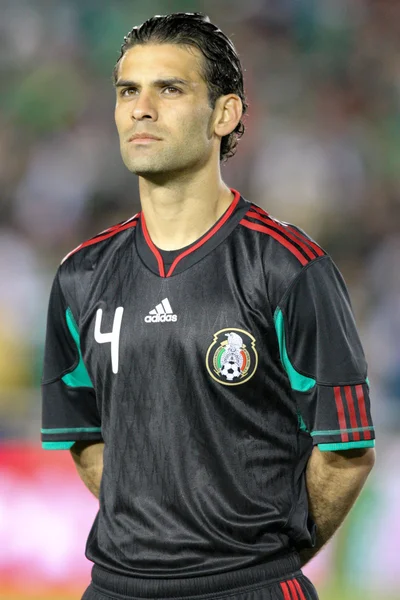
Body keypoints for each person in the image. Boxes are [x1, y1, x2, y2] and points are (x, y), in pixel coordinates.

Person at [41, 12, 375, 600]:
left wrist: (261, 561)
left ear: (225, 114)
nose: (141, 109)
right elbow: (84, 434)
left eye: (169, 89)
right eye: (128, 91)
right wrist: (156, 539)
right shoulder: (80, 275)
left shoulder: (287, 266)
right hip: (115, 589)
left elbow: (346, 453)